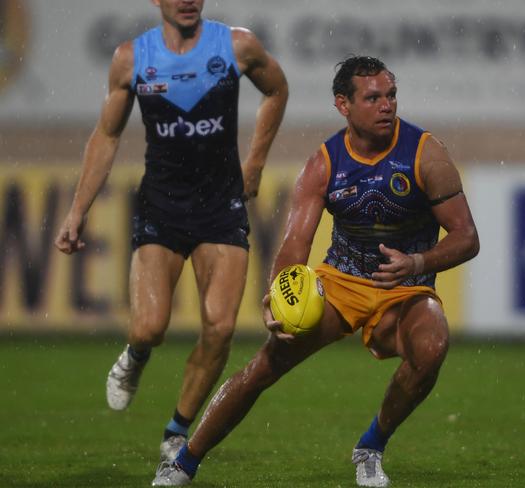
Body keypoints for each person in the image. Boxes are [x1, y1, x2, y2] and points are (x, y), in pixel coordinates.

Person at [151, 55, 479, 487]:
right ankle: (183, 463)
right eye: (374, 97)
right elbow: (294, 245)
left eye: (392, 95)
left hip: (406, 287)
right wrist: (276, 298)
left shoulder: (426, 154)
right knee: (264, 366)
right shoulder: (324, 164)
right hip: (340, 283)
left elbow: (467, 237)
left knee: (433, 345)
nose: (388, 106)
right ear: (343, 104)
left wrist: (417, 263)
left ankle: (371, 447)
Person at [54, 0, 288, 463]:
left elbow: (277, 90)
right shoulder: (131, 59)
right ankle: (135, 356)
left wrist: (256, 160)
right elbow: (107, 135)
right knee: (149, 327)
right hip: (162, 205)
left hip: (221, 207)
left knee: (220, 329)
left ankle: (177, 430)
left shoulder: (237, 46)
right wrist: (77, 209)